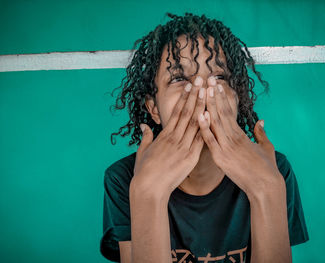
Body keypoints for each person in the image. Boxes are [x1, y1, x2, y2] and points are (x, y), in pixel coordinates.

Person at [100, 12, 309, 263]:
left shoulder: (275, 170)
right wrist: (147, 194)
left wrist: (267, 189)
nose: (202, 92)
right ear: (154, 108)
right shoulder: (124, 178)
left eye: (219, 77)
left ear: (237, 97)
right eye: (179, 79)